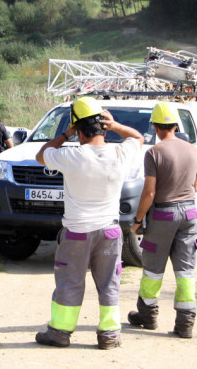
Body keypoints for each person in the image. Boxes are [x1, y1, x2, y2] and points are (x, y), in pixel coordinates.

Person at [33, 97, 142, 350]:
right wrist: (114, 125)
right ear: (103, 127)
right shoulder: (120, 153)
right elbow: (137, 138)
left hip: (77, 233)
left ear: (79, 132)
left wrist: (64, 134)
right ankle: (109, 335)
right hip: (110, 232)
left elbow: (41, 156)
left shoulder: (72, 155)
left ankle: (60, 332)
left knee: (70, 281)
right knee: (109, 283)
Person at [128, 102, 197, 339]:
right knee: (185, 270)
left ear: (156, 127)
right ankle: (185, 324)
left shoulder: (154, 152)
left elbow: (149, 192)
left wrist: (138, 220)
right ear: (176, 124)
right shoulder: (193, 150)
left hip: (163, 215)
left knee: (153, 269)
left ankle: (148, 316)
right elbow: (195, 187)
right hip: (190, 214)